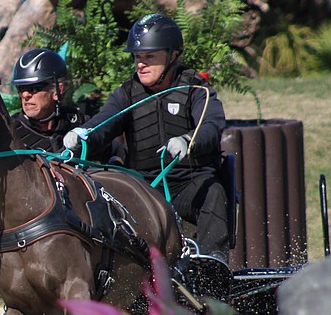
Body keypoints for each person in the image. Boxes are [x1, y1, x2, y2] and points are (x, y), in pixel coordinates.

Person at [62, 14, 229, 262]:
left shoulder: (196, 89)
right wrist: (83, 134)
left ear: (172, 56)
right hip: (143, 186)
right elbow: (105, 121)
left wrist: (188, 140)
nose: (141, 64)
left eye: (149, 57)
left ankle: (211, 264)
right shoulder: (127, 92)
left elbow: (212, 124)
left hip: (188, 184)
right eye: (137, 58)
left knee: (213, 192)